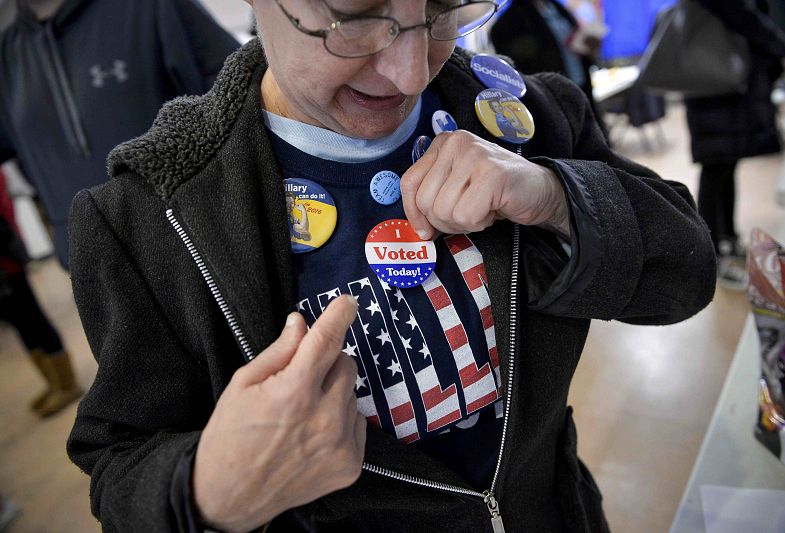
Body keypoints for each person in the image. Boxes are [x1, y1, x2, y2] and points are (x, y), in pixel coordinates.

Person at [66, 0, 716, 531]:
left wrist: (555, 197)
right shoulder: (149, 220)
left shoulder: (524, 115)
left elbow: (685, 274)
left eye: (440, 9)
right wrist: (207, 488)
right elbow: (120, 464)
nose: (410, 73)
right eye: (355, 16)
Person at [0, 0, 239, 268]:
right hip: (94, 268)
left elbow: (240, 90)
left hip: (198, 246)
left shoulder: (152, 7)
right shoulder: (7, 55)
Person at [683, 0, 785, 290]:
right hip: (717, 81)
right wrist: (779, 45)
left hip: (720, 79)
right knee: (715, 168)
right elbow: (741, 14)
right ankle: (712, 255)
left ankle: (726, 240)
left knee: (724, 165)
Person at [0, 168, 81, 416]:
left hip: (6, 262)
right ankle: (53, 381)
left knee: (32, 319)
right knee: (21, 325)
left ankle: (67, 384)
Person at [490, 0, 606, 131]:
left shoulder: (556, 8)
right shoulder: (508, 24)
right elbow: (521, 69)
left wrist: (589, 45)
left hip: (579, 83)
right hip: (553, 98)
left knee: (592, 132)